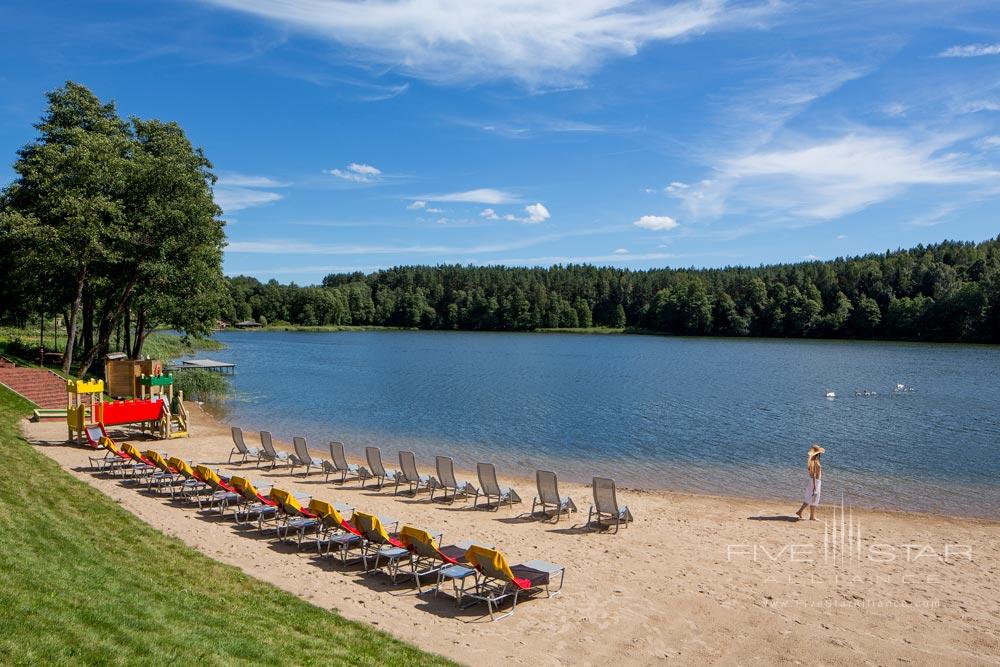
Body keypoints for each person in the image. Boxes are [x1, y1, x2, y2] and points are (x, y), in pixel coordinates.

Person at [795, 444, 824, 521]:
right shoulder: (815, 462)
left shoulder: (812, 461)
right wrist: (815, 486)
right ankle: (811, 516)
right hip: (815, 482)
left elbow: (813, 474)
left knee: (809, 498)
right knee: (814, 499)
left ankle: (800, 511)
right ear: (818, 453)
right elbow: (814, 475)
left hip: (813, 481)